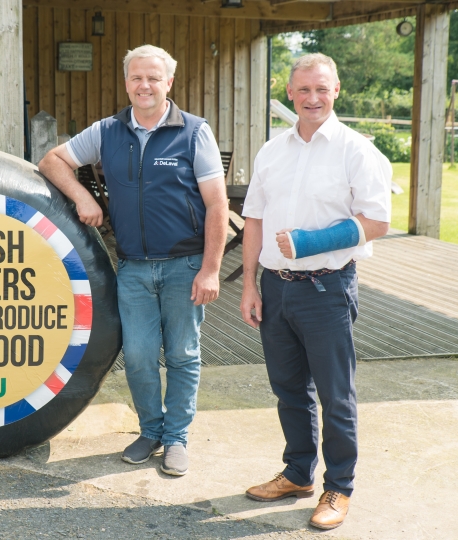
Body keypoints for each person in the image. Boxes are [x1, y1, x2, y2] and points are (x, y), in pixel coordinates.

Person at [39, 44, 228, 476]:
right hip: (134, 268)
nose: (145, 85)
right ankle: (151, 431)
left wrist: (211, 269)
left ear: (169, 83)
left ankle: (177, 438)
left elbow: (217, 206)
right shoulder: (106, 131)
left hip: (184, 265)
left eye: (153, 78)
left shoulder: (195, 132)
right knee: (140, 355)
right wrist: (84, 196)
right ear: (127, 83)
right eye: (136, 78)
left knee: (181, 353)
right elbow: (52, 161)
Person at [240, 53, 391, 530]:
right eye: (303, 90)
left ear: (337, 90)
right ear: (290, 93)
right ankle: (298, 473)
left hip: (327, 288)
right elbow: (255, 221)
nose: (313, 98)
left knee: (335, 394)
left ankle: (338, 487)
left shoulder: (356, 150)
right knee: (288, 389)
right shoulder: (272, 150)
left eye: (321, 89)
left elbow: (377, 222)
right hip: (275, 287)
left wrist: (311, 243)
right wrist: (248, 284)